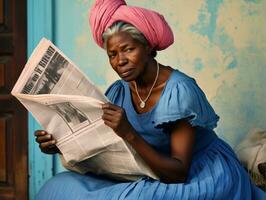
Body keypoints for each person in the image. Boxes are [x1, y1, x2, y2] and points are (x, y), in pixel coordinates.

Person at [35, 0, 266, 199]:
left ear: (148, 47)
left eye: (128, 49)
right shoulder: (118, 91)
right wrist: (61, 146)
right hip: (149, 170)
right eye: (112, 54)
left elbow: (178, 173)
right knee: (56, 187)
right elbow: (106, 150)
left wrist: (128, 132)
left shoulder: (179, 91)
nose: (120, 61)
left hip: (199, 173)